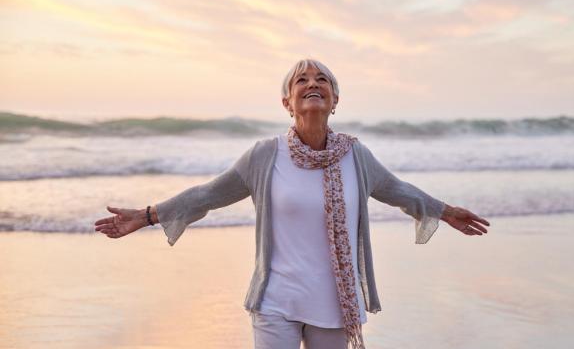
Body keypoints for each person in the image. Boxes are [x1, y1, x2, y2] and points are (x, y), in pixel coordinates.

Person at [94, 59, 490, 349]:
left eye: (322, 80)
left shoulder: (356, 156)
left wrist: (446, 210)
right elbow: (208, 194)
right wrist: (146, 215)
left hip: (335, 302)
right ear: (287, 102)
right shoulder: (265, 156)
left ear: (335, 100)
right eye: (301, 79)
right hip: (276, 300)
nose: (312, 83)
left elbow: (398, 190)